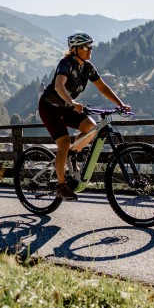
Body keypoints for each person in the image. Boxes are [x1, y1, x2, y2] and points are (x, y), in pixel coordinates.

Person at [38, 32, 131, 201]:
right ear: (74, 49)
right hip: (50, 107)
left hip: (67, 107)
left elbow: (103, 88)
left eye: (90, 46)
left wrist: (120, 104)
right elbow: (59, 86)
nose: (89, 50)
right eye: (84, 47)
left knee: (91, 128)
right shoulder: (65, 63)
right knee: (64, 144)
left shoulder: (88, 67)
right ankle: (61, 185)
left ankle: (72, 153)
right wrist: (73, 102)